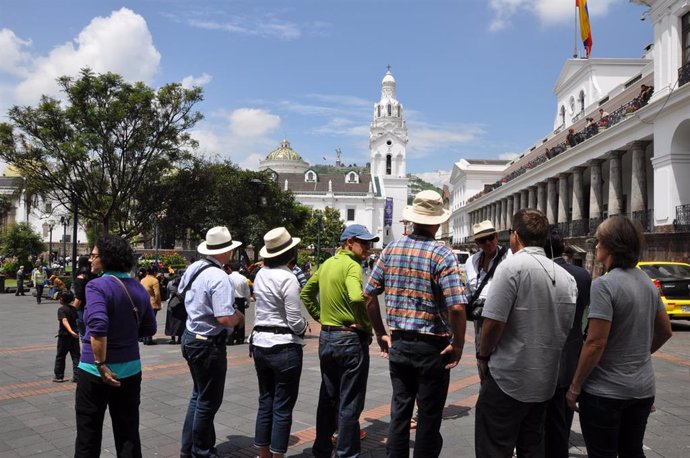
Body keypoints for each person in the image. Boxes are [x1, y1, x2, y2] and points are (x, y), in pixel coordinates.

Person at [364, 190, 466, 458]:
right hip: (432, 347)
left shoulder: (391, 249)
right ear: (436, 222)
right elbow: (456, 306)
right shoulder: (442, 254)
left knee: (399, 412)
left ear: (412, 221)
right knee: (429, 417)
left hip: (399, 343)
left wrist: (380, 333)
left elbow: (369, 295)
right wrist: (458, 343)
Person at [566, 216, 673, 458]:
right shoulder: (647, 282)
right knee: (632, 451)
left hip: (606, 391)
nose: (595, 246)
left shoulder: (604, 285)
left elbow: (595, 342)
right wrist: (638, 355)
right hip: (642, 388)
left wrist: (575, 386)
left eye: (599, 241)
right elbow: (665, 330)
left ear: (611, 245)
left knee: (602, 452)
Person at [474, 208, 578, 458]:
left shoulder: (512, 267)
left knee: (494, 447)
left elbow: (493, 323)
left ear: (515, 235)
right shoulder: (567, 278)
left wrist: (483, 356)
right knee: (532, 448)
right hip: (543, 383)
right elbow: (566, 328)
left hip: (508, 377)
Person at [75, 234, 157, 457]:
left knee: (88, 435)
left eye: (94, 256)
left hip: (95, 370)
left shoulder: (97, 286)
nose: (90, 260)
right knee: (128, 433)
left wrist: (101, 363)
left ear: (107, 258)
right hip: (130, 369)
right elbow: (150, 329)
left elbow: (98, 326)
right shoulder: (139, 288)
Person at [301, 223, 379, 458]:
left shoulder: (326, 264)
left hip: (327, 337)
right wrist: (366, 326)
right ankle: (346, 453)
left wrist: (320, 316)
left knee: (328, 396)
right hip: (348, 338)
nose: (367, 248)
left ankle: (322, 448)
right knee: (350, 401)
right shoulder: (352, 266)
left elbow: (306, 293)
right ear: (348, 242)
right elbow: (357, 297)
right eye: (363, 243)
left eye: (369, 243)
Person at [180, 226, 245, 458]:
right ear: (227, 252)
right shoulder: (219, 277)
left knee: (198, 396)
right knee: (208, 401)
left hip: (191, 336)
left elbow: (181, 291)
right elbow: (225, 318)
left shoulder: (195, 267)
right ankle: (202, 451)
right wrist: (239, 317)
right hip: (208, 343)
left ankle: (188, 448)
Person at [251, 227, 308, 458]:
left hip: (260, 343)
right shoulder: (289, 278)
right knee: (283, 406)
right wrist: (304, 327)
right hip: (284, 345)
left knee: (266, 400)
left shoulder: (261, 274)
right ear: (290, 254)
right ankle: (277, 455)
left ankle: (264, 454)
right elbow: (294, 319)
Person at [543, 225, 592, 458]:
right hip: (573, 353)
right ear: (562, 246)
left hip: (544, 357)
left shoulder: (542, 273)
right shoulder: (582, 275)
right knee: (564, 417)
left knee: (542, 421)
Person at [464, 220, 510, 357]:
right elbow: (468, 290)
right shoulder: (471, 261)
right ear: (477, 243)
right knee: (481, 356)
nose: (488, 243)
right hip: (480, 319)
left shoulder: (510, 257)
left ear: (496, 236)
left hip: (503, 318)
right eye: (483, 240)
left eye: (491, 238)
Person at [53, 290, 80, 383]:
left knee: (61, 356)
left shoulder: (61, 309)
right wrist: (75, 331)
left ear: (62, 300)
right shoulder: (74, 309)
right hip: (75, 336)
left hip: (65, 336)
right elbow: (76, 321)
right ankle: (77, 376)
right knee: (76, 356)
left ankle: (59, 376)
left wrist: (70, 331)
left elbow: (64, 321)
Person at [226, 261, 251, 345]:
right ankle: (240, 338)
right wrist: (248, 302)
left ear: (230, 268)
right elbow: (247, 291)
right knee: (241, 318)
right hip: (240, 300)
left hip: (230, 300)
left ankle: (230, 338)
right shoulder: (243, 278)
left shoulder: (227, 277)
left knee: (231, 318)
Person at [140, 264, 162, 345]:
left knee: (144, 321)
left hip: (143, 303)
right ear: (155, 272)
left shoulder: (142, 280)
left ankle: (144, 338)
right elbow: (157, 294)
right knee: (151, 321)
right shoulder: (155, 280)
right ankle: (149, 339)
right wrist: (158, 304)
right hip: (152, 304)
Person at [73, 256, 94, 338]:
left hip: (82, 309)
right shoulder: (94, 276)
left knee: (83, 335)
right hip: (93, 306)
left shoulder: (80, 278)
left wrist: (71, 311)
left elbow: (79, 297)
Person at [165, 269, 186, 345]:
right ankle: (180, 338)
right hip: (181, 304)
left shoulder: (170, 282)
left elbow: (167, 294)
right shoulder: (185, 283)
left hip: (172, 303)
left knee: (171, 321)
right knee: (181, 322)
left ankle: (173, 339)